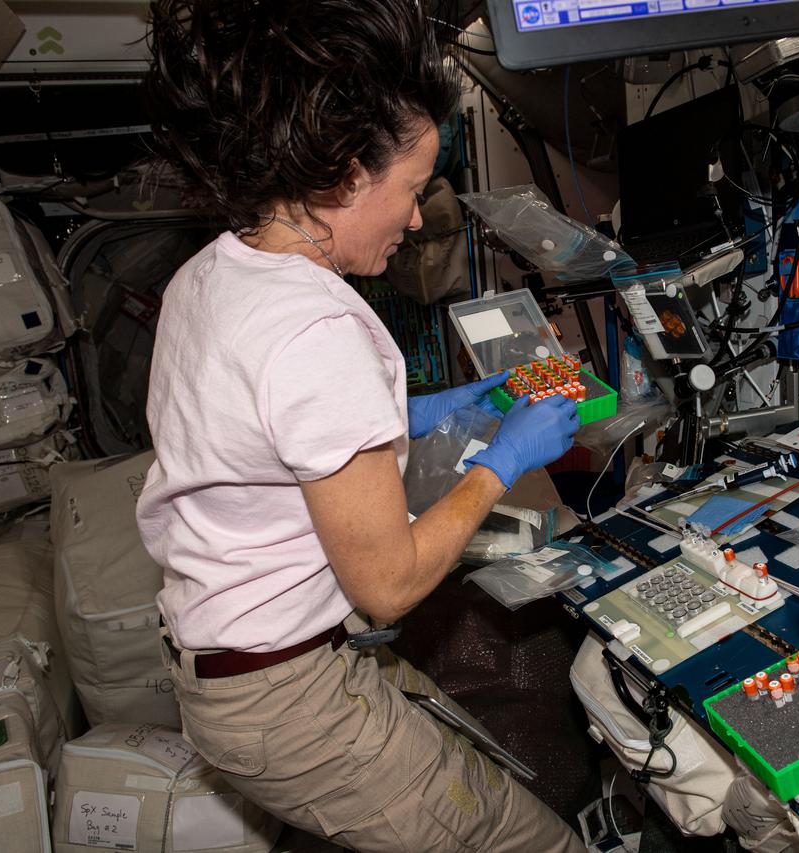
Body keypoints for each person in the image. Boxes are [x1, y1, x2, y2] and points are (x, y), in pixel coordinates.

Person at [135, 1, 584, 850]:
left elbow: (273, 436)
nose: (417, 219)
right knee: (531, 838)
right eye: (413, 190)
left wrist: (437, 408)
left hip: (225, 674)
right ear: (343, 174)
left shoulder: (213, 273)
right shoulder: (320, 329)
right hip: (284, 694)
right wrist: (502, 459)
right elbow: (388, 585)